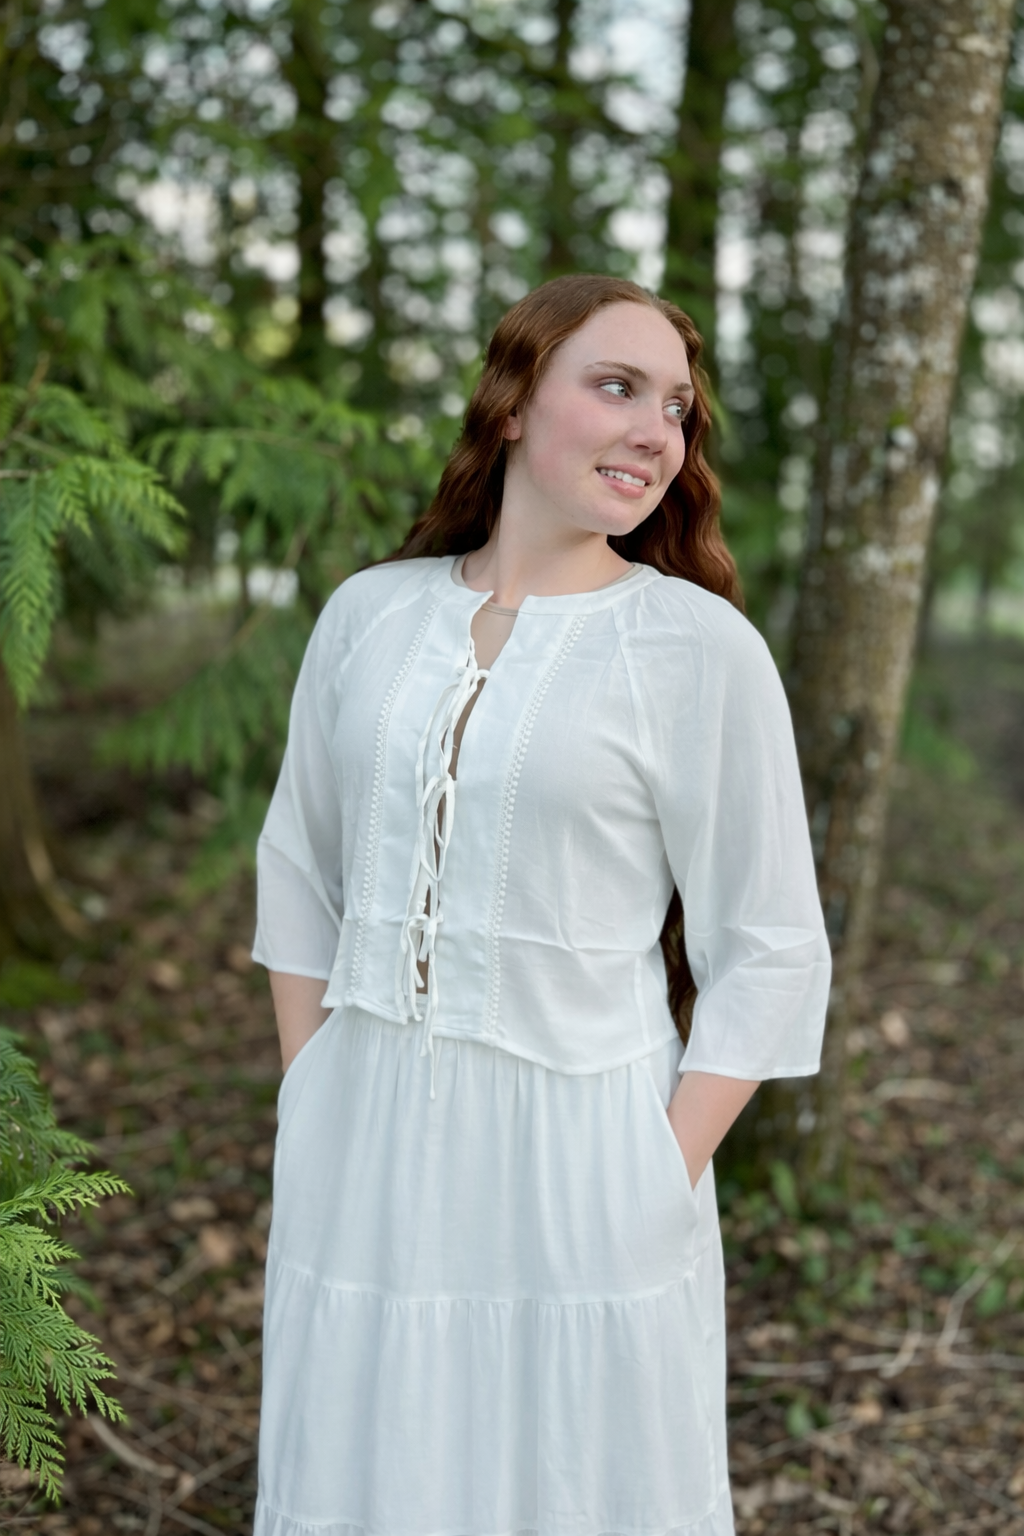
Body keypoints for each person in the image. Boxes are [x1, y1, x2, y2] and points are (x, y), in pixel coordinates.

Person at [251, 273, 831, 1536]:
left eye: (675, 407)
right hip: (364, 1136)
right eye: (615, 386)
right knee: (371, 1471)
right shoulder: (368, 616)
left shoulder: (696, 648)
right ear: (511, 404)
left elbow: (773, 945)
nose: (654, 431)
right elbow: (297, 863)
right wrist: (312, 1088)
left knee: (576, 1484)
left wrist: (658, 1169)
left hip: (588, 1152)